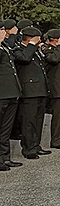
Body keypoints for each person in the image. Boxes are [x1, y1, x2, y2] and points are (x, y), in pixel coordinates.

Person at [13, 27, 52, 160]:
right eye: (37, 38)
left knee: (38, 120)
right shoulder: (18, 50)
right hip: (29, 92)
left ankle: (36, 145)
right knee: (28, 122)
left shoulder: (34, 51)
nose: (40, 40)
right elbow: (24, 59)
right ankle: (28, 148)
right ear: (30, 38)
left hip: (40, 90)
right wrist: (30, 45)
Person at [0, 21, 23, 170]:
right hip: (1, 94)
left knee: (5, 129)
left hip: (10, 93)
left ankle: (5, 157)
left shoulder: (5, 47)